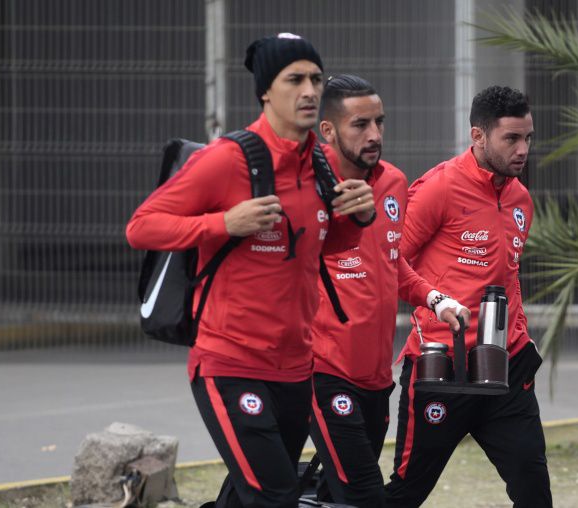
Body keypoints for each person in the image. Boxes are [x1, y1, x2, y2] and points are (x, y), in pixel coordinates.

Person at [126, 34, 376, 508]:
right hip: (230, 361)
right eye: (294, 79)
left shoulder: (319, 164)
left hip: (296, 368)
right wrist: (224, 222)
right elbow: (142, 227)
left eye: (316, 79)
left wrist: (357, 220)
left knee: (249, 498)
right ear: (266, 91)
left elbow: (322, 246)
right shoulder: (227, 159)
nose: (309, 90)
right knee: (276, 497)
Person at [384, 86, 553, 507]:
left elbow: (508, 277)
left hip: (507, 369)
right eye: (511, 138)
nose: (522, 149)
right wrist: (437, 301)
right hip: (441, 367)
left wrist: (521, 337)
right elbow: (388, 266)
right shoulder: (438, 188)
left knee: (535, 494)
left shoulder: (520, 200)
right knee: (406, 493)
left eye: (528, 137)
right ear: (478, 136)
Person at [308, 74, 469, 508]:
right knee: (365, 494)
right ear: (329, 130)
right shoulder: (306, 186)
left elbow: (391, 262)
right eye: (360, 124)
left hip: (375, 378)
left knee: (325, 493)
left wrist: (436, 299)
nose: (375, 134)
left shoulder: (394, 182)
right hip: (321, 370)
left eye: (379, 121)